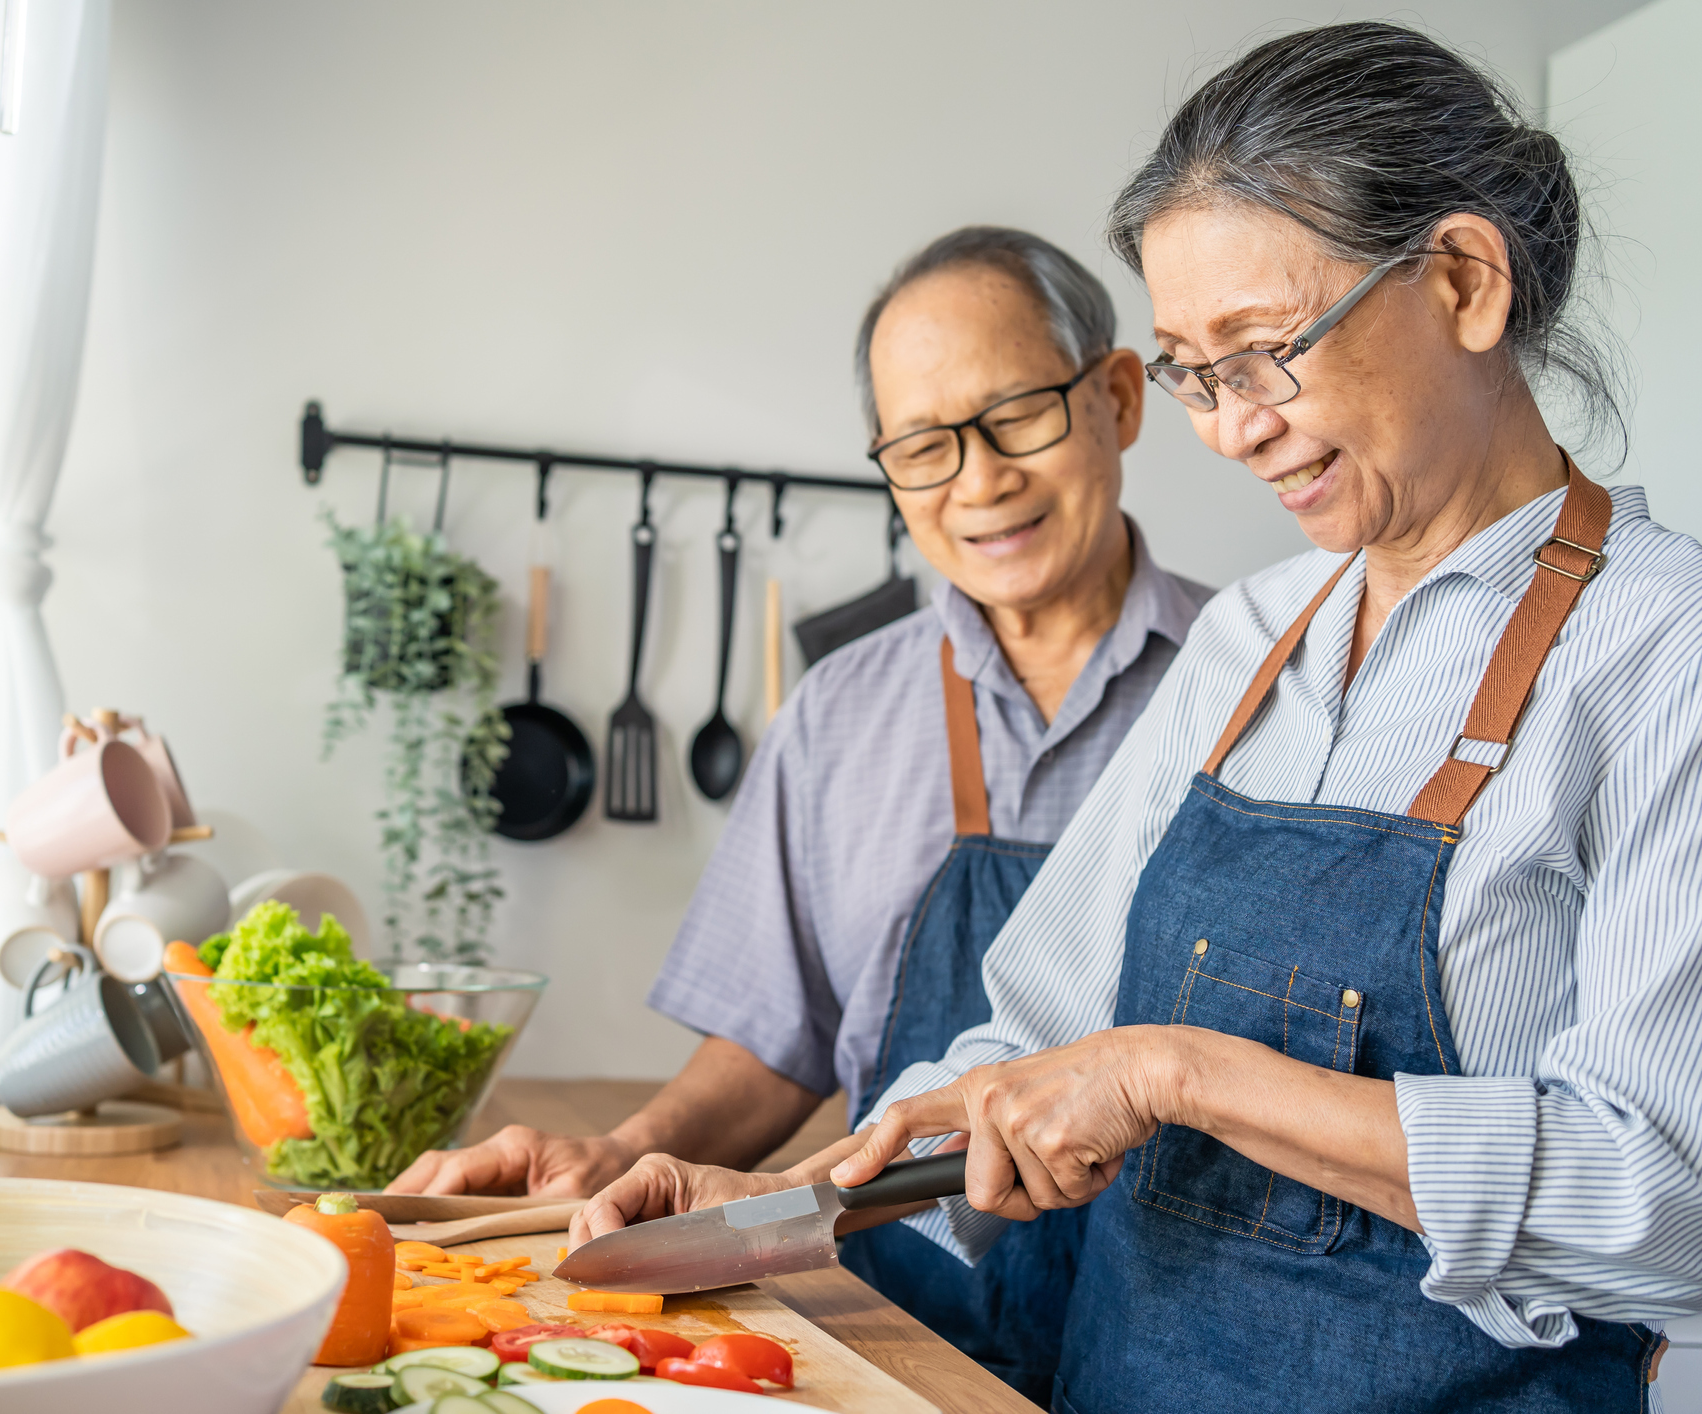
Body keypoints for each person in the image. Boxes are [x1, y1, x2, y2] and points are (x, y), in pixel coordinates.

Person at [570, 22, 1702, 1411]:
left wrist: (1179, 1071)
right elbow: (1031, 1044)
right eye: (1191, 369)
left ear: (1463, 279)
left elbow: (1665, 1195)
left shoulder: (1665, 654)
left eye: (1262, 349)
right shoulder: (1245, 643)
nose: (1231, 426)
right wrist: (773, 1200)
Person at [390, 227, 1210, 1402]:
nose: (979, 481)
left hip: (1176, 1337)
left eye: (1019, 412)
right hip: (882, 1325)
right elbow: (779, 1033)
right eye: (924, 446)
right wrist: (622, 1155)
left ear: (1120, 398)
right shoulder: (841, 710)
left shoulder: (1263, 690)